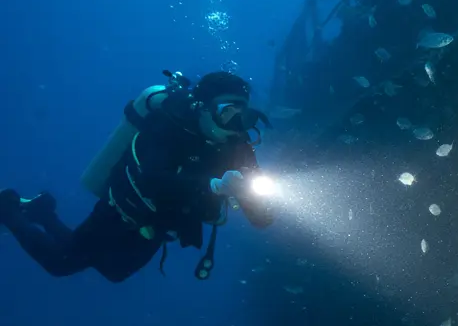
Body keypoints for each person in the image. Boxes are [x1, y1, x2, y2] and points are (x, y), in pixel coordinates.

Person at [0, 70, 275, 283]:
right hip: (121, 210)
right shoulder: (169, 126)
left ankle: (43, 211)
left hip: (158, 225)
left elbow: (261, 220)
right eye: (227, 112)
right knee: (61, 263)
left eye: (244, 116)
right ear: (203, 107)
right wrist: (213, 185)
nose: (236, 126)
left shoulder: (238, 145)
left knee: (113, 272)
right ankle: (9, 209)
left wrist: (257, 202)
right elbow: (151, 178)